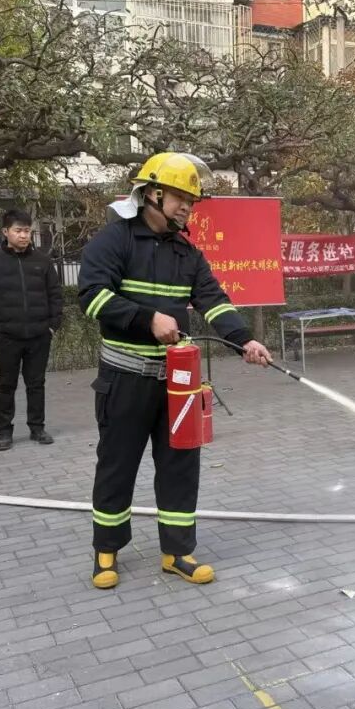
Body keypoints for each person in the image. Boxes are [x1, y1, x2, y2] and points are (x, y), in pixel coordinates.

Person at [78, 152, 271, 590]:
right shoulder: (115, 240)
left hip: (177, 385)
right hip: (124, 380)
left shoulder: (187, 252)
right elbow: (92, 295)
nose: (187, 207)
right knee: (116, 466)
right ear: (152, 193)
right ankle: (106, 551)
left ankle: (177, 552)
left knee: (181, 466)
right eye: (180, 197)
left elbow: (213, 300)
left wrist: (245, 340)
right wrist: (147, 319)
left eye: (191, 200)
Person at [0, 209, 63, 451]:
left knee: (36, 384)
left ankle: (37, 427)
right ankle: (4, 431)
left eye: (27, 231)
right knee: (6, 385)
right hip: (6, 336)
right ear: (6, 232)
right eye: (18, 231)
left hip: (39, 334)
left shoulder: (43, 261)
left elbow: (55, 295)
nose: (24, 235)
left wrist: (53, 326)